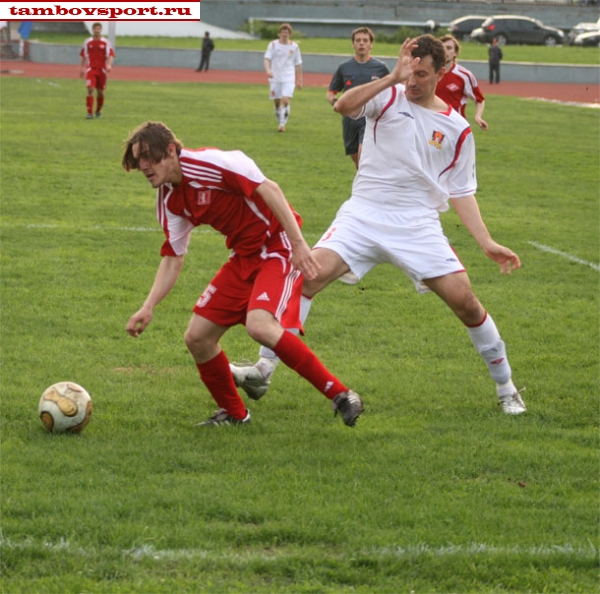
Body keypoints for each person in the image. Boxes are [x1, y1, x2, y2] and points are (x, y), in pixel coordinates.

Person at [231, 35, 527, 416]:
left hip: (417, 224)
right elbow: (342, 105)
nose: (413, 81)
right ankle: (263, 369)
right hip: (363, 214)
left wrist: (485, 241)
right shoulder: (387, 95)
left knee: (466, 303)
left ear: (442, 72)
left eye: (422, 74)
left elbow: (461, 190)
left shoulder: (457, 129)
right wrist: (392, 78)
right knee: (304, 279)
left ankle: (507, 389)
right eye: (409, 72)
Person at [122, 121, 363, 428]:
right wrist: (149, 305)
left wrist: (300, 245)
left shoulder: (213, 164)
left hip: (277, 247)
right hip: (243, 258)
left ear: (170, 150)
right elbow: (173, 256)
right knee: (197, 338)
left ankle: (341, 395)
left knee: (260, 326)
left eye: (148, 158)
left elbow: (269, 188)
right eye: (137, 160)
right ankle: (235, 414)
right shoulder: (170, 198)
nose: (143, 166)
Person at [326, 27, 390, 168]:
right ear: (353, 44)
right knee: (356, 159)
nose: (362, 43)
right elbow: (331, 92)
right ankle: (365, 183)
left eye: (365, 40)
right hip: (350, 119)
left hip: (370, 118)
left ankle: (368, 186)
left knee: (363, 155)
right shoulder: (344, 67)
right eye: (358, 40)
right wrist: (335, 103)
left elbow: (391, 91)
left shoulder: (381, 68)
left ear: (371, 45)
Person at [436, 34, 487, 131]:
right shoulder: (430, 74)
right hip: (433, 124)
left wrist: (478, 116)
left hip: (456, 127)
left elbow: (479, 99)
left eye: (449, 48)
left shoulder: (464, 75)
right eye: (442, 48)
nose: (445, 51)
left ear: (455, 53)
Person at [264, 23, 303, 132]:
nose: (284, 34)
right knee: (277, 102)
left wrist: (300, 79)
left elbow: (298, 64)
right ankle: (278, 113)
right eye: (283, 32)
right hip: (275, 77)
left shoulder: (294, 47)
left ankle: (282, 124)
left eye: (287, 32)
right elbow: (267, 59)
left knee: (285, 100)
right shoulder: (273, 45)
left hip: (288, 77)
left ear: (290, 34)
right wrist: (268, 70)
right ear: (279, 33)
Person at [79, 22, 115, 119]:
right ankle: (89, 113)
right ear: (93, 30)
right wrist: (81, 68)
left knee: (100, 92)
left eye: (98, 28)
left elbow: (111, 54)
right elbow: (83, 55)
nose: (96, 30)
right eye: (95, 28)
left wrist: (109, 65)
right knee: (90, 89)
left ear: (101, 30)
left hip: (102, 70)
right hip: (91, 69)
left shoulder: (105, 42)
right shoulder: (87, 42)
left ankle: (98, 111)